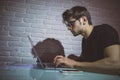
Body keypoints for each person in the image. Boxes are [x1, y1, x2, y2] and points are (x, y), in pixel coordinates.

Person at [53, 6, 120, 74]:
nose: (69, 28)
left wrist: (74, 64)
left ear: (84, 20)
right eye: (68, 25)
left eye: (71, 23)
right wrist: (67, 60)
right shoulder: (84, 40)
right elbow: (85, 62)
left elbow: (115, 64)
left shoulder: (105, 30)